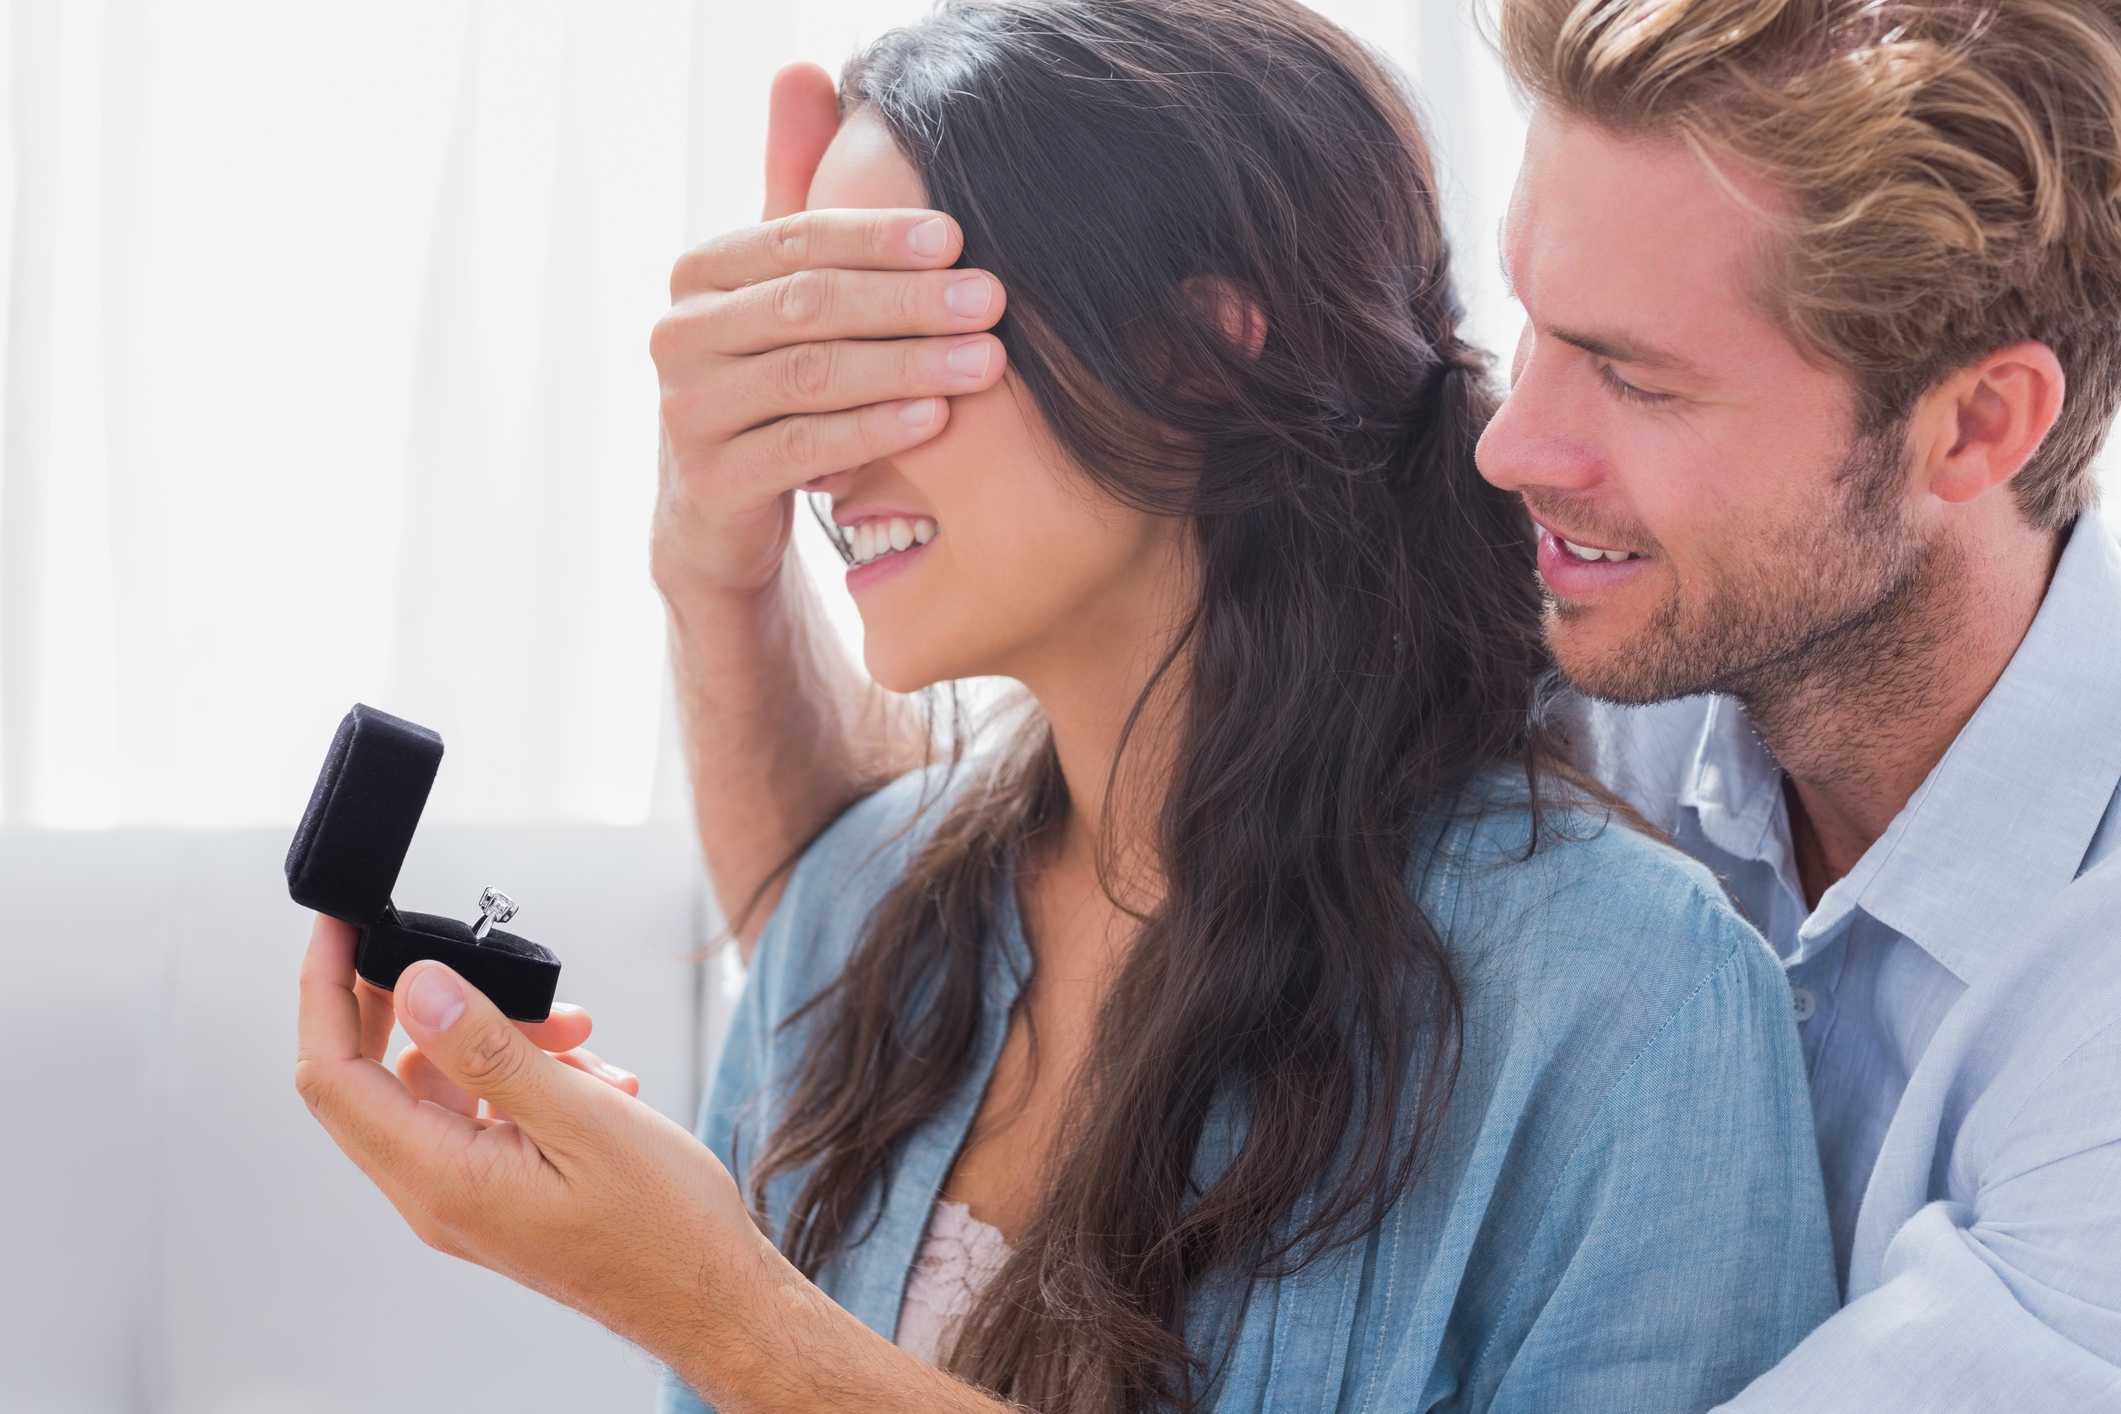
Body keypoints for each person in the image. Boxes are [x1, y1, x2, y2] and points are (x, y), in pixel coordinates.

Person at [635, 0, 2121, 1408]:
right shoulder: (1600, 645)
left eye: (1631, 375)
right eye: (1533, 320)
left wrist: (704, 1298)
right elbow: (861, 939)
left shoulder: (1695, 968)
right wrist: (719, 568)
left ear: (1974, 426)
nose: (1509, 442)